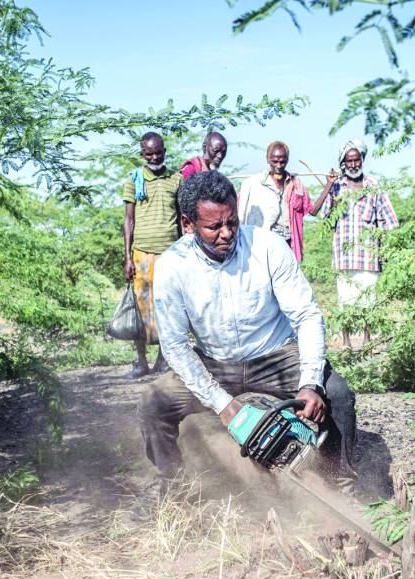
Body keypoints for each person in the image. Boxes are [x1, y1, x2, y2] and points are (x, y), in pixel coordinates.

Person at [139, 170, 358, 490]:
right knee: (152, 404)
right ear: (188, 224)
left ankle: (341, 486)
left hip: (276, 354)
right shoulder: (173, 266)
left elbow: (307, 315)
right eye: (214, 226)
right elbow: (175, 347)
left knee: (338, 396)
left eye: (232, 222)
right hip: (213, 362)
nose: (227, 232)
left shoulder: (268, 246)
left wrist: (311, 383)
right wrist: (222, 404)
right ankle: (175, 488)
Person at [311, 139, 399, 349]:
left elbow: (389, 220)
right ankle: (347, 342)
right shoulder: (337, 186)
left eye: (356, 160)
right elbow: (322, 215)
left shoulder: (373, 186)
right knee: (346, 300)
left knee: (368, 300)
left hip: (369, 254)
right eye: (348, 161)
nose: (353, 165)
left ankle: (368, 340)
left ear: (362, 160)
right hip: (343, 255)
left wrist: (385, 247)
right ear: (343, 162)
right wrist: (329, 186)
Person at [121, 131, 182, 379]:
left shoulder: (176, 180)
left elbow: (181, 219)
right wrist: (127, 256)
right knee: (140, 307)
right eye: (149, 153)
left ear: (164, 151)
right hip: (142, 255)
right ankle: (141, 361)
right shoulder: (134, 180)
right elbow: (128, 220)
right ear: (142, 154)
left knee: (168, 307)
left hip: (170, 254)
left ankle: (162, 360)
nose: (155, 156)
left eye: (158, 152)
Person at [236, 141, 313, 262]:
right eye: (274, 161)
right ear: (267, 159)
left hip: (287, 243)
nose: (279, 165)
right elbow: (239, 211)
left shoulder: (295, 185)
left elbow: (311, 210)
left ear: (287, 160)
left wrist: (329, 184)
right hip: (263, 243)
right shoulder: (254, 184)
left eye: (282, 161)